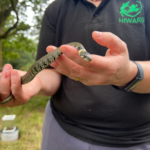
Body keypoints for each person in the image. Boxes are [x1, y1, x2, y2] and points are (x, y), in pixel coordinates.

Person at [0, 0, 150, 149]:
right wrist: (36, 82)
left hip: (132, 139)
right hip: (61, 128)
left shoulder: (144, 4)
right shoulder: (56, 9)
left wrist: (128, 74)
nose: (87, 60)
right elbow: (52, 71)